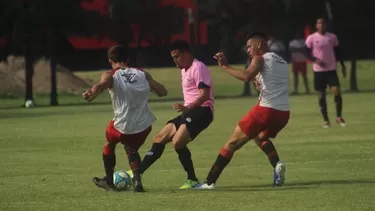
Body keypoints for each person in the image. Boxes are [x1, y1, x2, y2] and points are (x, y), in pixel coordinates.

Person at [195, 32, 290, 189]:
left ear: (259, 45)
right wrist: (258, 83)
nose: (248, 50)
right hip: (283, 113)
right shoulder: (281, 61)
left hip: (265, 110)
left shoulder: (259, 58)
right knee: (259, 136)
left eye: (249, 46)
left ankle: (209, 182)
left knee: (231, 143)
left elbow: (246, 76)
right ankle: (277, 164)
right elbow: (265, 84)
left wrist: (225, 66)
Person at [127, 40, 215, 189]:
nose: (174, 60)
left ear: (186, 53)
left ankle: (192, 180)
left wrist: (187, 108)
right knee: (160, 137)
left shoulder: (198, 67)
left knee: (177, 142)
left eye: (177, 56)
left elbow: (204, 95)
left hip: (203, 111)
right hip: (190, 111)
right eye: (173, 57)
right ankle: (138, 172)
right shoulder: (184, 69)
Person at [82, 45, 168, 192]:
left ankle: (109, 181)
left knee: (109, 144)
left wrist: (91, 93)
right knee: (131, 149)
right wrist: (147, 88)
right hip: (143, 126)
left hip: (121, 126)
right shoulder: (143, 74)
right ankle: (137, 181)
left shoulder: (110, 75)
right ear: (127, 59)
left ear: (110, 61)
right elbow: (163, 92)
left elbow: (101, 85)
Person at [305, 18, 347, 128]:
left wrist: (342, 66)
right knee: (321, 96)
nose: (321, 25)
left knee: (336, 91)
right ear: (316, 26)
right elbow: (307, 54)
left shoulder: (332, 37)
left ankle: (339, 117)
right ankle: (326, 120)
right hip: (319, 71)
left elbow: (338, 52)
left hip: (331, 70)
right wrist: (316, 60)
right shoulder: (311, 38)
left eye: (323, 23)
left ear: (326, 25)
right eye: (319, 23)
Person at [289, 30, 310, 94]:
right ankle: (295, 90)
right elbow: (291, 51)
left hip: (302, 60)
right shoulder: (292, 42)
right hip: (295, 61)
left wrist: (298, 50)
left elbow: (305, 50)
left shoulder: (304, 41)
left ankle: (307, 89)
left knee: (304, 75)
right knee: (295, 76)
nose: (298, 35)